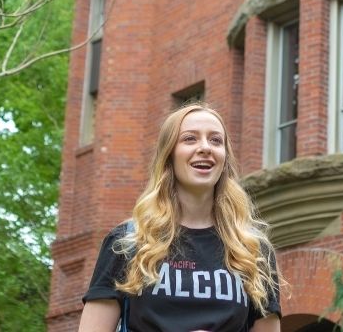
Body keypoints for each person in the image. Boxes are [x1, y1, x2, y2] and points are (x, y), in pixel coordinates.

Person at [79, 103, 282, 332]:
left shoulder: (254, 250)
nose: (205, 147)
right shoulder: (127, 242)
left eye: (216, 140)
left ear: (225, 159)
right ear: (169, 155)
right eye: (190, 139)